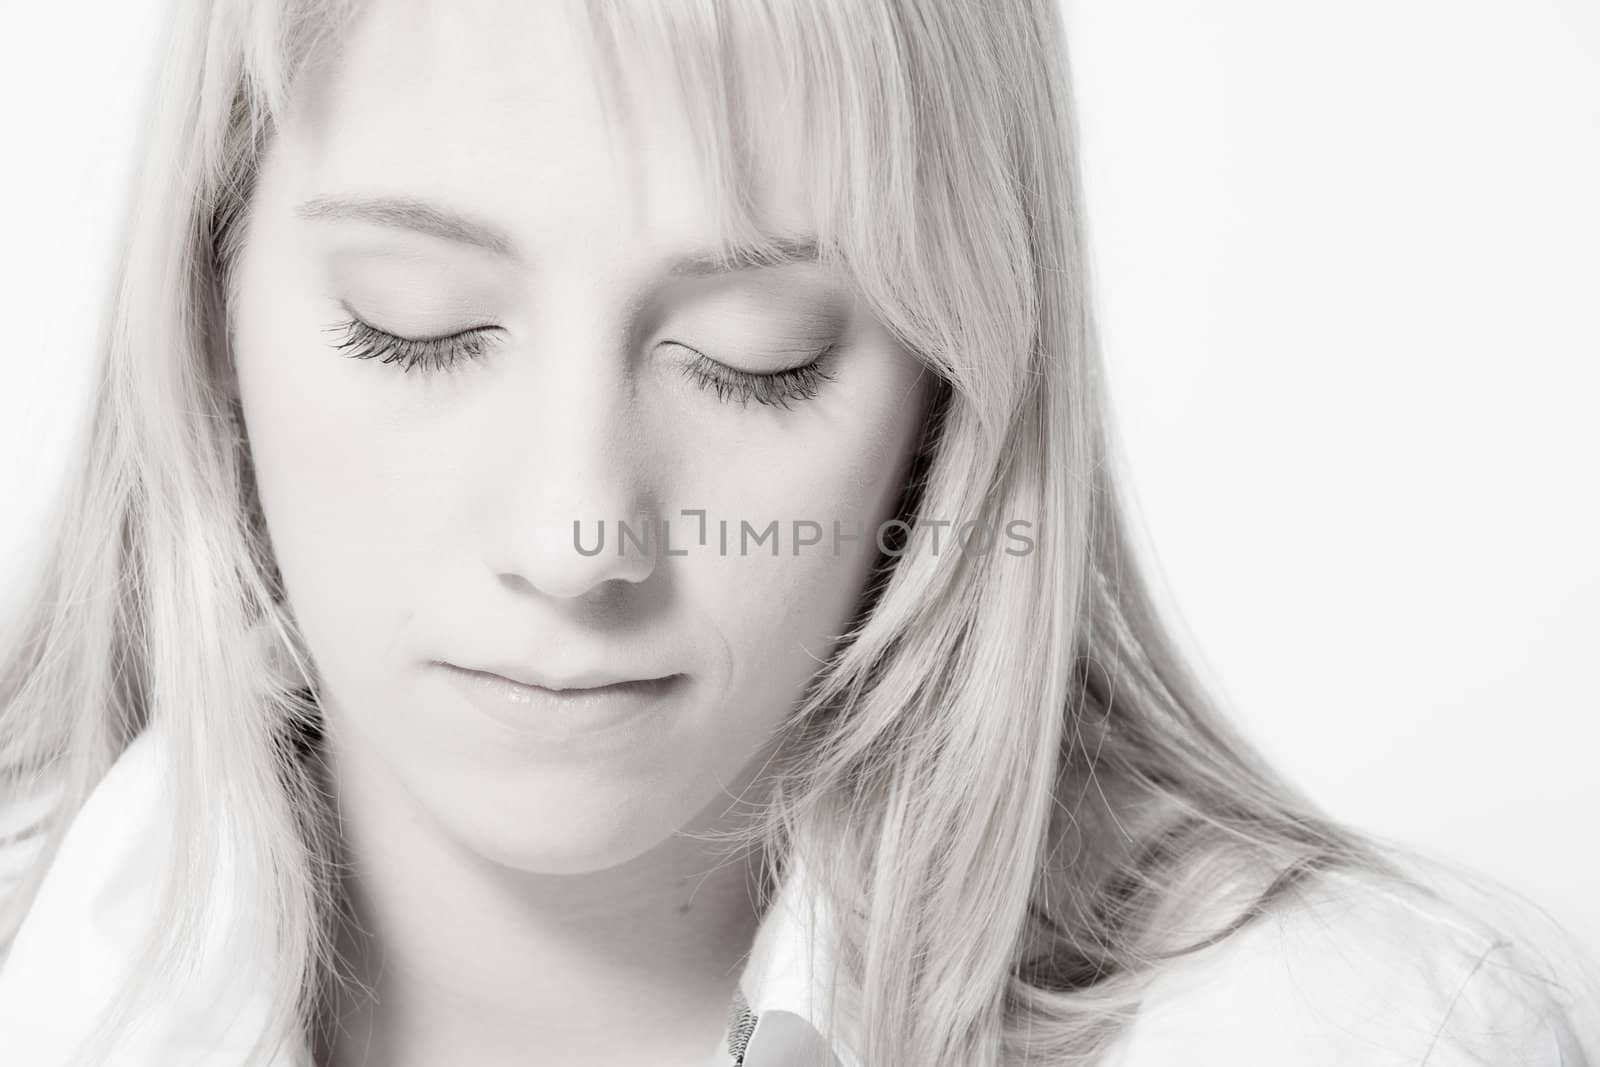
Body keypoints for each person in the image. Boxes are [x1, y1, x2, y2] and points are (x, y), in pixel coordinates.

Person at [0, 0, 1594, 1064]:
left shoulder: (1340, 1035)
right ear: (207, 306)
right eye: (412, 327)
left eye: (756, 355)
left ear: (946, 396)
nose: (577, 536)